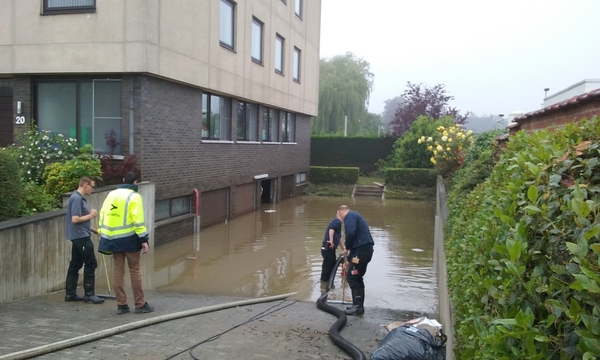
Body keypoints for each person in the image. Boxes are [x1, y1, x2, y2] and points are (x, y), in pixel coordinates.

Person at [98, 172, 154, 315]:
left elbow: (103, 215)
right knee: (135, 270)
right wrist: (144, 240)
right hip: (129, 239)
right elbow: (137, 220)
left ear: (123, 180)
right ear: (135, 183)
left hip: (112, 239)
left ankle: (121, 305)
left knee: (118, 271)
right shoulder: (134, 196)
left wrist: (103, 235)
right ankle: (140, 304)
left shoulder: (111, 194)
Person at [64, 176, 104, 304]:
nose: (92, 189)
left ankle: (70, 294)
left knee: (75, 264)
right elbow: (75, 219)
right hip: (80, 236)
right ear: (85, 185)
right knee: (91, 262)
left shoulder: (78, 198)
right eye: (92, 186)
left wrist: (92, 229)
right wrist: (92, 215)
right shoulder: (76, 198)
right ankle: (89, 294)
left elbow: (80, 220)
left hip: (79, 235)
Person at [338, 205, 374, 315]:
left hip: (361, 252)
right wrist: (348, 259)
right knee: (357, 277)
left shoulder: (350, 216)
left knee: (352, 277)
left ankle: (357, 307)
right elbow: (355, 242)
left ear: (341, 212)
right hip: (362, 250)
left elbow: (350, 233)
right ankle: (357, 306)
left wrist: (346, 247)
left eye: (338, 215)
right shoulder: (355, 216)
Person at [320, 211, 344, 283]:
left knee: (330, 264)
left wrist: (343, 248)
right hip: (328, 247)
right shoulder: (337, 221)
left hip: (329, 248)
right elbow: (331, 229)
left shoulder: (337, 223)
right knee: (328, 266)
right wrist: (331, 240)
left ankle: (325, 281)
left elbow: (338, 238)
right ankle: (325, 283)